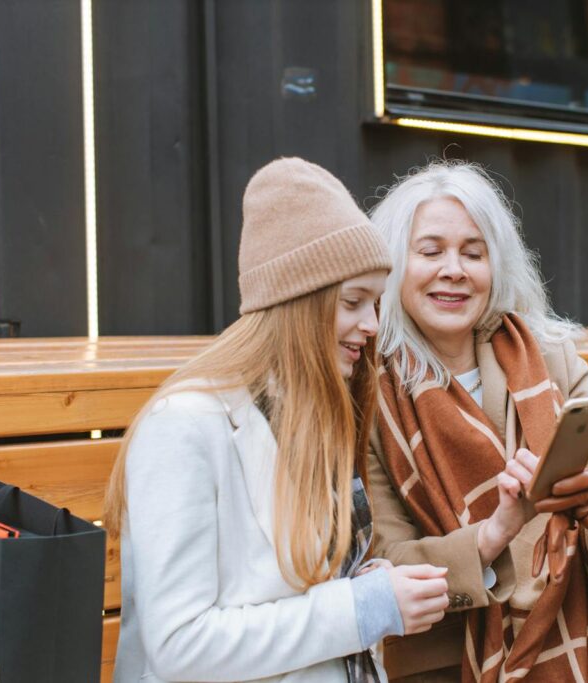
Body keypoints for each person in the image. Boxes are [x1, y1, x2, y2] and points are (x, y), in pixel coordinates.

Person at [102, 157, 450, 683]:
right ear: (296, 303)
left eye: (374, 303)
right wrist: (362, 607)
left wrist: (367, 582)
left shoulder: (314, 412)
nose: (372, 325)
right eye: (353, 302)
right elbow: (179, 646)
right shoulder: (184, 426)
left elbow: (287, 587)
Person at [367, 161, 588, 681]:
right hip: (443, 656)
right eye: (431, 251)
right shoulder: (370, 397)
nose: (454, 269)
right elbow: (384, 563)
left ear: (496, 265)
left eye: (473, 252)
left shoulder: (553, 361)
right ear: (394, 265)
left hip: (578, 631)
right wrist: (497, 531)